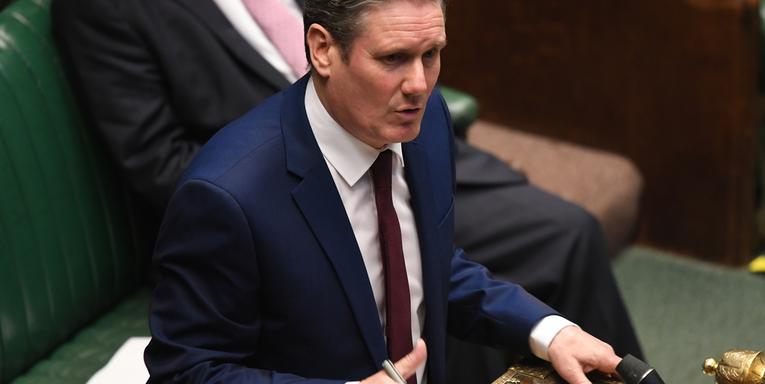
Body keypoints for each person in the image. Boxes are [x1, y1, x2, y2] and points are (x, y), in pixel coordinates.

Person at [52, 0, 643, 382]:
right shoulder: (228, 197)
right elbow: (185, 372)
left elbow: (427, 267)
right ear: (322, 50)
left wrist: (549, 330)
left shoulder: (422, 120)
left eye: (432, 55)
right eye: (393, 59)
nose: (419, 85)